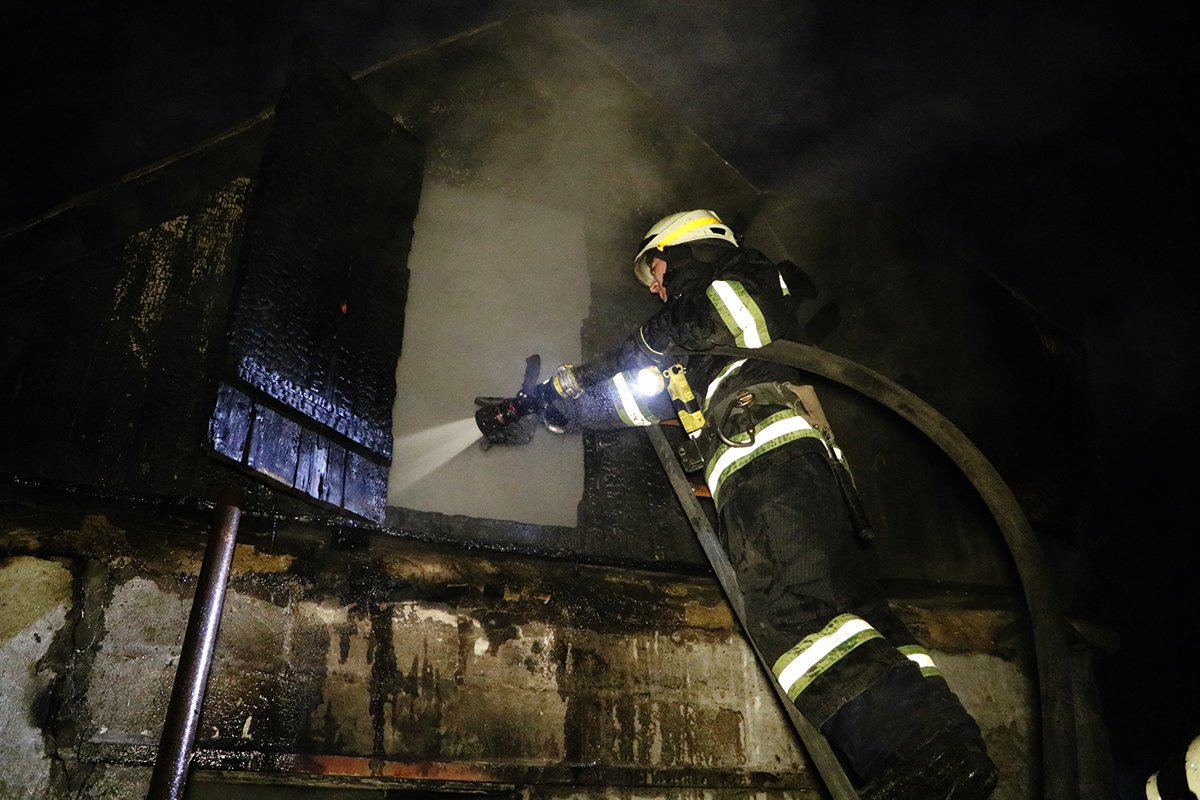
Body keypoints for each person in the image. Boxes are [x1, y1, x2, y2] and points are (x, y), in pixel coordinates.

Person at [532, 209, 999, 799]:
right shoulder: (711, 339)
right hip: (793, 471)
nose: (653, 285)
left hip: (768, 464)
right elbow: (643, 395)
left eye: (654, 268)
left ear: (685, 249)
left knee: (795, 614)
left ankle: (917, 753)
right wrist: (556, 411)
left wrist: (632, 347)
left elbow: (696, 324)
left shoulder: (741, 277)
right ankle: (945, 748)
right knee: (856, 620)